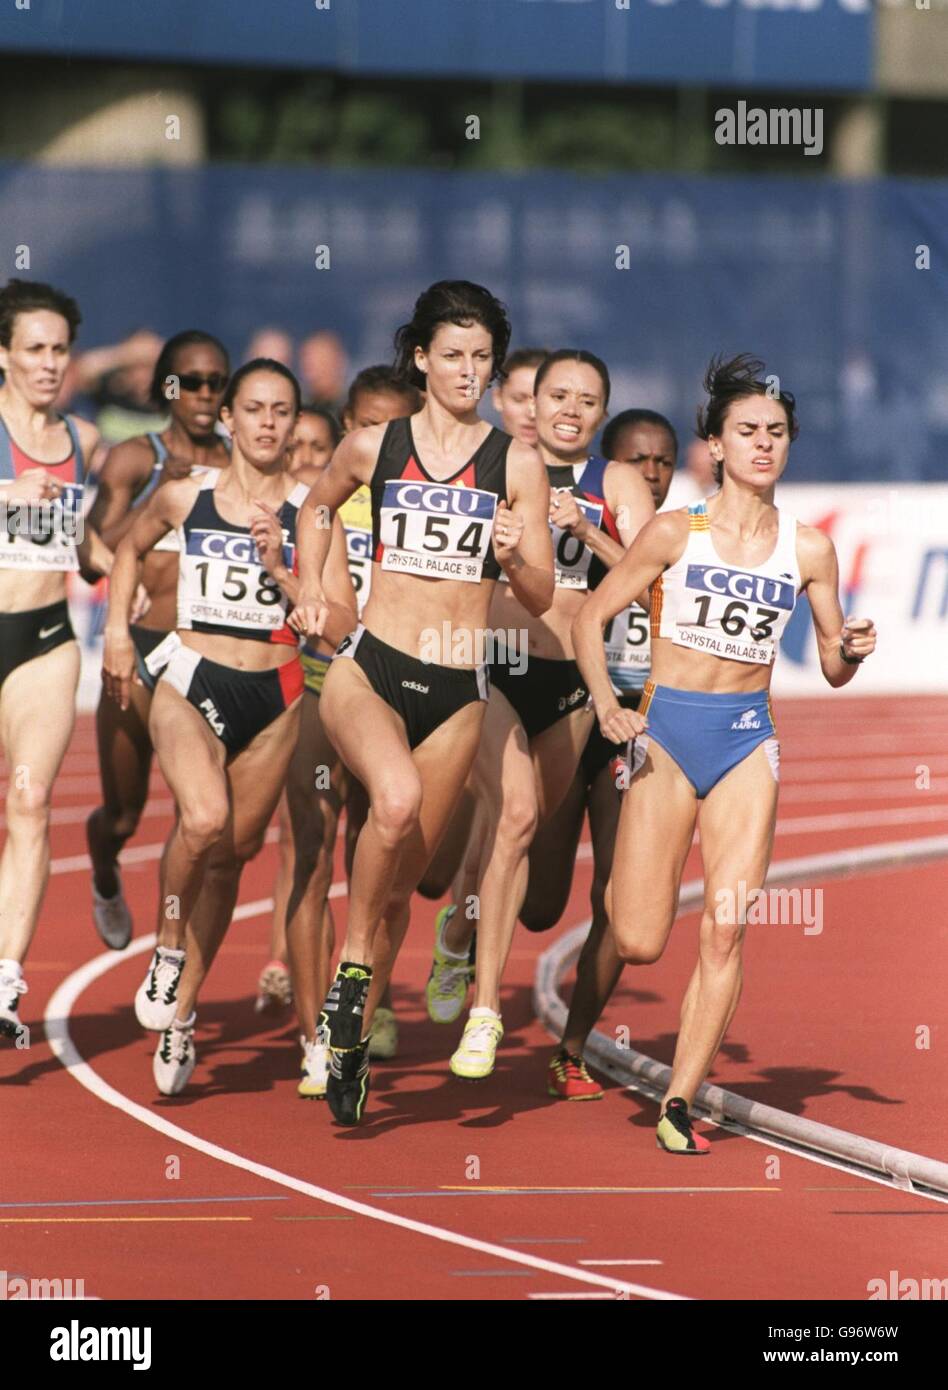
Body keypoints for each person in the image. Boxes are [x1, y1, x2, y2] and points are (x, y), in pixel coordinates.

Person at [573, 354, 877, 1153]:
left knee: (725, 928)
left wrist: (852, 648)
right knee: (638, 938)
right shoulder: (676, 532)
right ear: (714, 445)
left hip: (747, 741)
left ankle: (680, 1099)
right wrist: (608, 707)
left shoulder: (809, 549)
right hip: (665, 733)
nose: (763, 445)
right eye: (746, 431)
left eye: (776, 433)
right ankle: (608, 1003)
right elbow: (588, 619)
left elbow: (835, 669)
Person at [291, 280, 555, 1125]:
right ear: (421, 357)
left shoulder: (515, 463)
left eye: (483, 358)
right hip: (373, 665)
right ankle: (355, 973)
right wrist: (311, 582)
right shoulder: (375, 445)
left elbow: (544, 593)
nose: (469, 372)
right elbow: (318, 506)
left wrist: (514, 558)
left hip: (458, 687)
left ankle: (352, 1043)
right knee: (393, 802)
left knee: (407, 882)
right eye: (453, 356)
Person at [103, 359, 356, 1096]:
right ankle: (167, 949)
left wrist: (287, 577)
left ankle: (181, 1015)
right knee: (204, 819)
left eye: (282, 410)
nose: (269, 422)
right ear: (229, 419)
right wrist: (119, 634)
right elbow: (126, 548)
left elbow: (339, 622)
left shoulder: (314, 514)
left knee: (233, 856)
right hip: (191, 676)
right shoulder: (188, 495)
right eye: (254, 408)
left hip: (276, 690)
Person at [425, 351, 655, 1082]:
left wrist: (585, 533)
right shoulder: (498, 462)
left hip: (573, 682)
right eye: (558, 395)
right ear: (532, 401)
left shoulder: (615, 482)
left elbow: (654, 581)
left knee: (529, 871)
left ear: (602, 411)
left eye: (588, 400)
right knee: (515, 815)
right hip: (493, 665)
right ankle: (486, 1011)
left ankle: (460, 929)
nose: (571, 410)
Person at [519, 409, 678, 1100]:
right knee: (541, 907)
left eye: (663, 462)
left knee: (615, 897)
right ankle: (472, 901)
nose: (650, 473)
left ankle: (573, 1046)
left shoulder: (687, 541)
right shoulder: (566, 524)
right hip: (574, 711)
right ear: (609, 474)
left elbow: (665, 591)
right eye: (637, 461)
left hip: (637, 729)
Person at [85, 331, 232, 949]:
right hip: (138, 652)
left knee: (198, 817)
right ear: (167, 388)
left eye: (215, 382)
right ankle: (105, 873)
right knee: (122, 814)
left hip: (205, 656)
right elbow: (92, 554)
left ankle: (170, 947)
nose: (203, 394)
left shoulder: (239, 464)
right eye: (190, 381)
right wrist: (155, 492)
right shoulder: (132, 458)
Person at [417, 347, 549, 990]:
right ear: (499, 399)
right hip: (468, 665)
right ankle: (374, 993)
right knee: (437, 858)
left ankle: (463, 947)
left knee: (514, 821)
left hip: (549, 677)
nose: (534, 411)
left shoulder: (576, 481)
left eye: (544, 398)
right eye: (521, 396)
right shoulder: (466, 461)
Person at [0, 278, 111, 1039]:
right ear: (3, 354)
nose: (48, 363)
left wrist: (128, 561)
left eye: (59, 350)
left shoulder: (85, 441)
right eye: (33, 349)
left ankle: (5, 979)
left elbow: (91, 546)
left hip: (44, 637)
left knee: (32, 803)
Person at [257, 404, 344, 1014]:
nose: (311, 459)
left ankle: (365, 994)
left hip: (370, 688)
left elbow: (345, 622)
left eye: (322, 448)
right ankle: (285, 966)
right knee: (302, 842)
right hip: (304, 688)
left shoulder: (349, 516)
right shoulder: (272, 519)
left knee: (374, 849)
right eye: (300, 448)